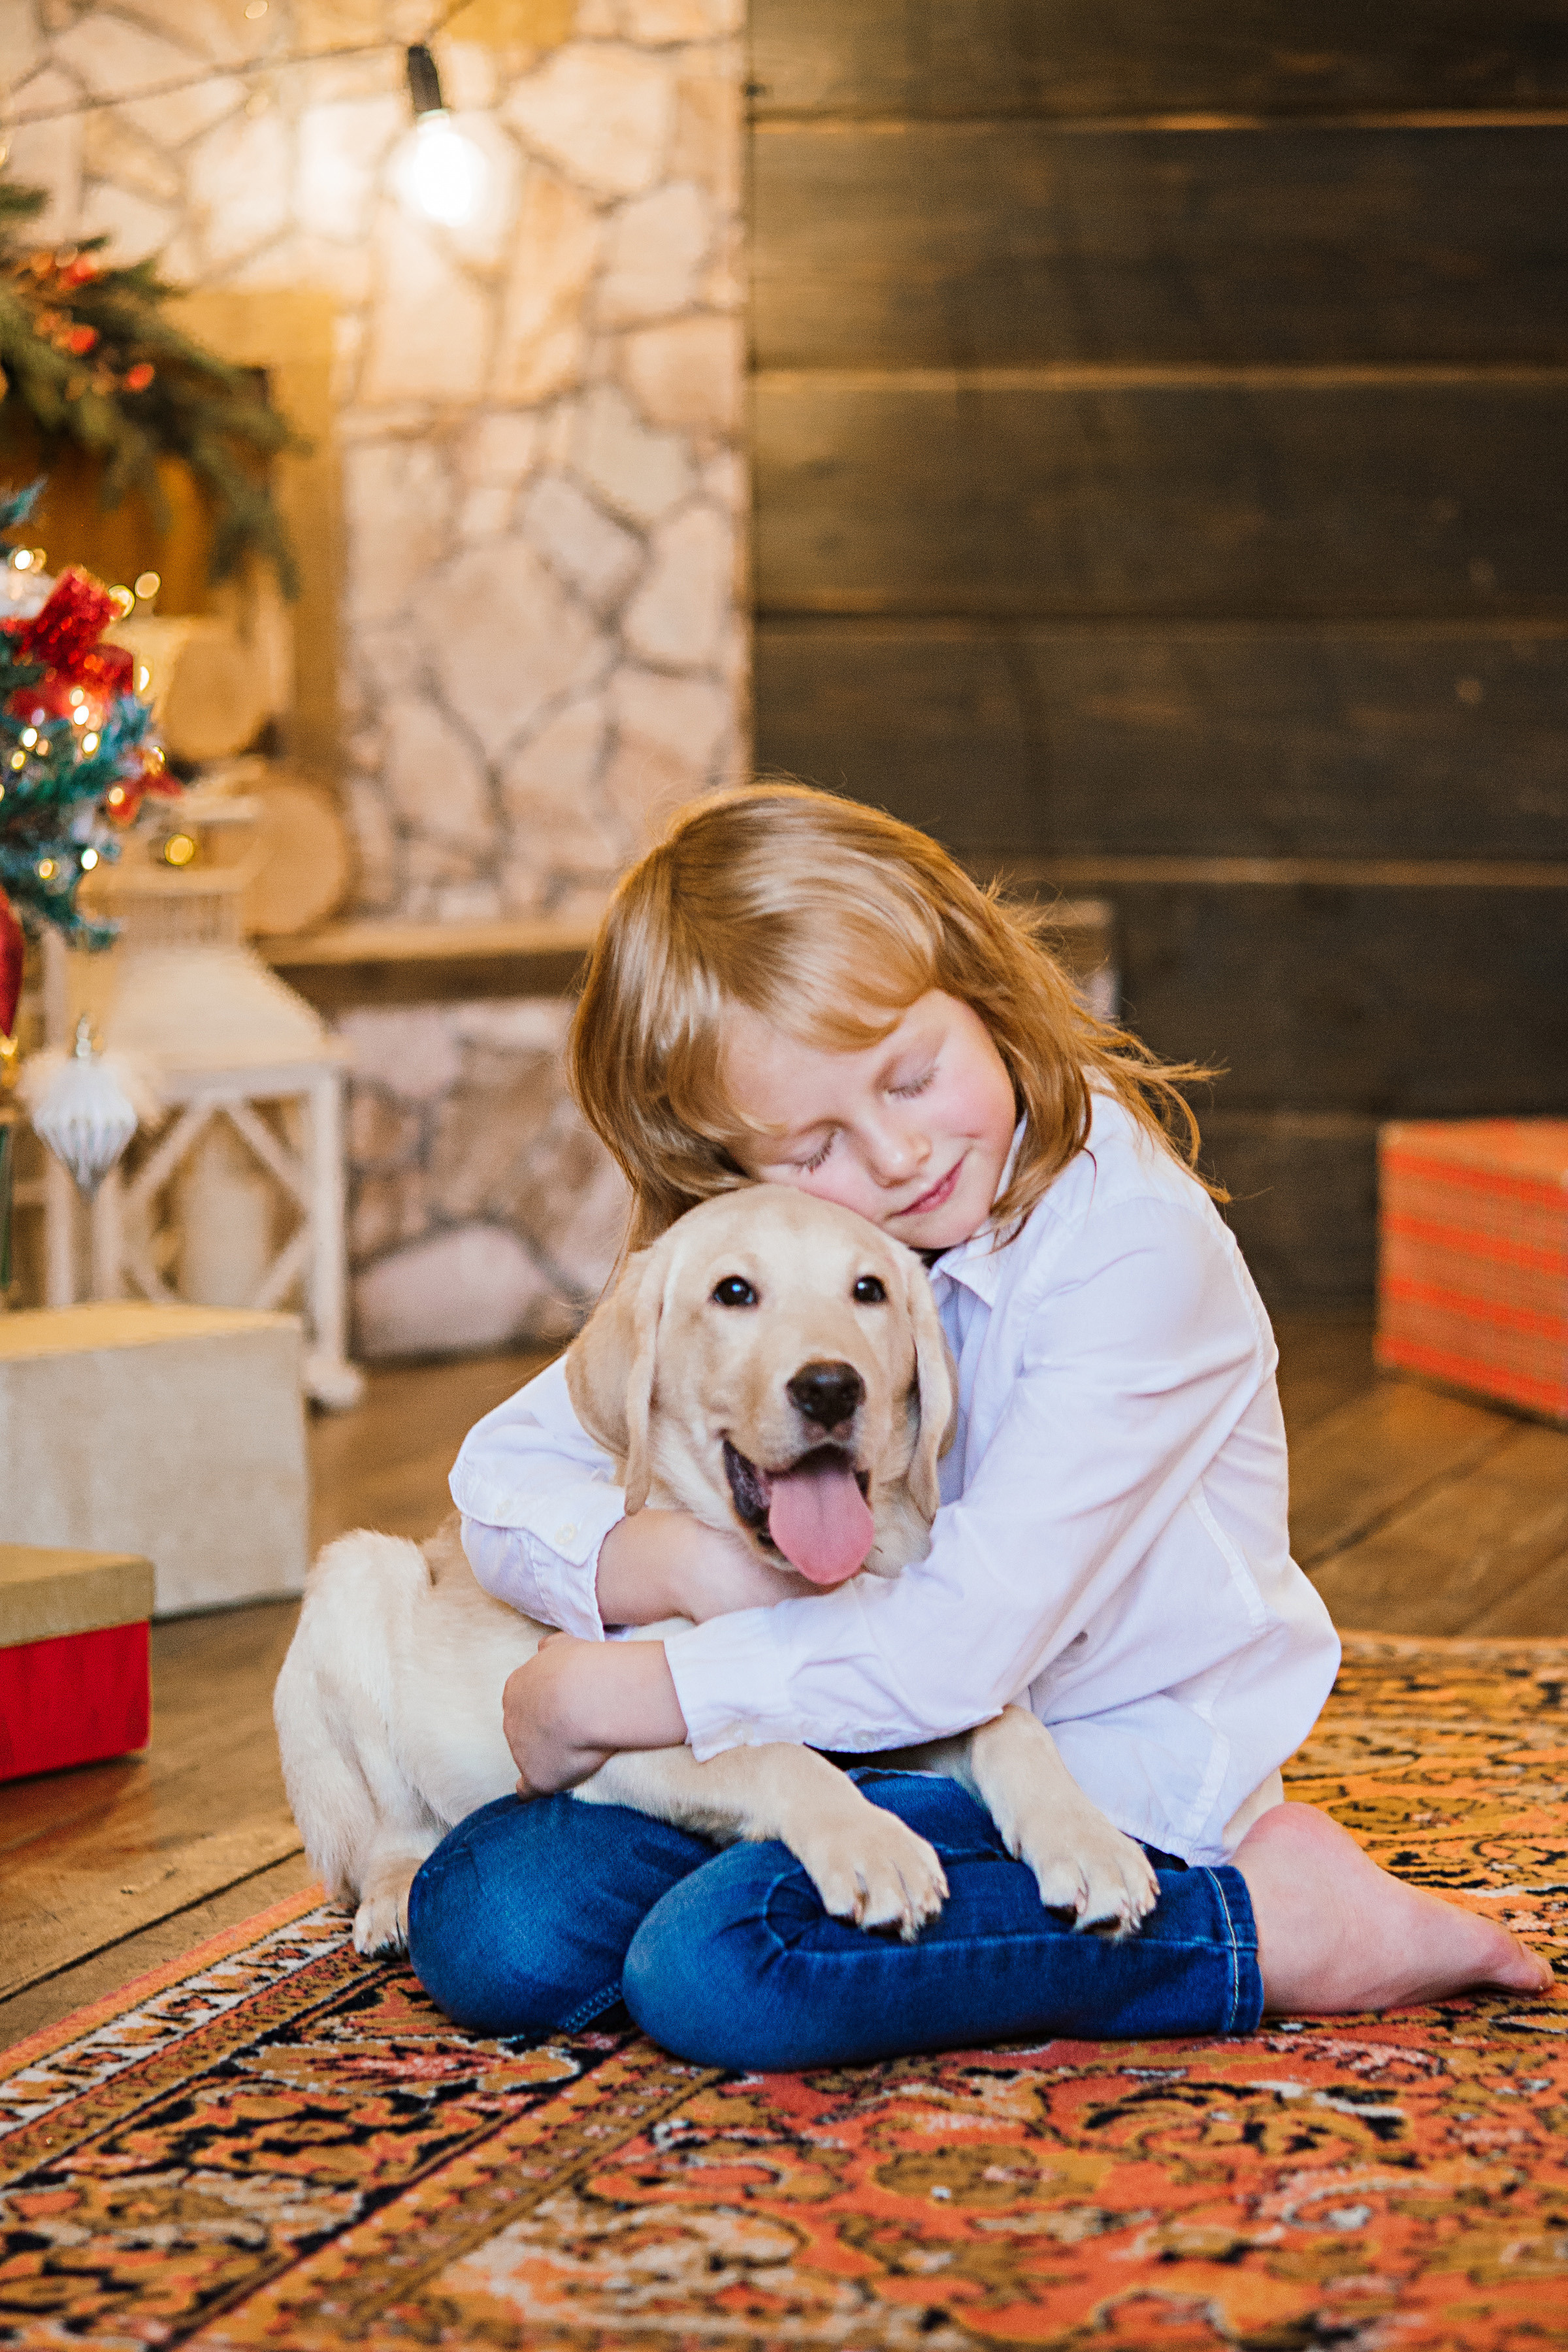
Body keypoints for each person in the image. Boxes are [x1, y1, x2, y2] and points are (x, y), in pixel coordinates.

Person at [408, 786, 1548, 2067]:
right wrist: (662, 1566)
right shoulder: (799, 1251)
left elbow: (959, 1656)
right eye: (814, 1145)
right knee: (490, 1920)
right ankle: (871, 1920)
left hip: (1087, 1761)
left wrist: (619, 1689)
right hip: (826, 1729)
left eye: (913, 1077)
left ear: (983, 992)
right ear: (724, 1164)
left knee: (719, 1969)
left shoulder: (1131, 1250)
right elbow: (504, 1473)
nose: (897, 1156)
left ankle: (1270, 1922)